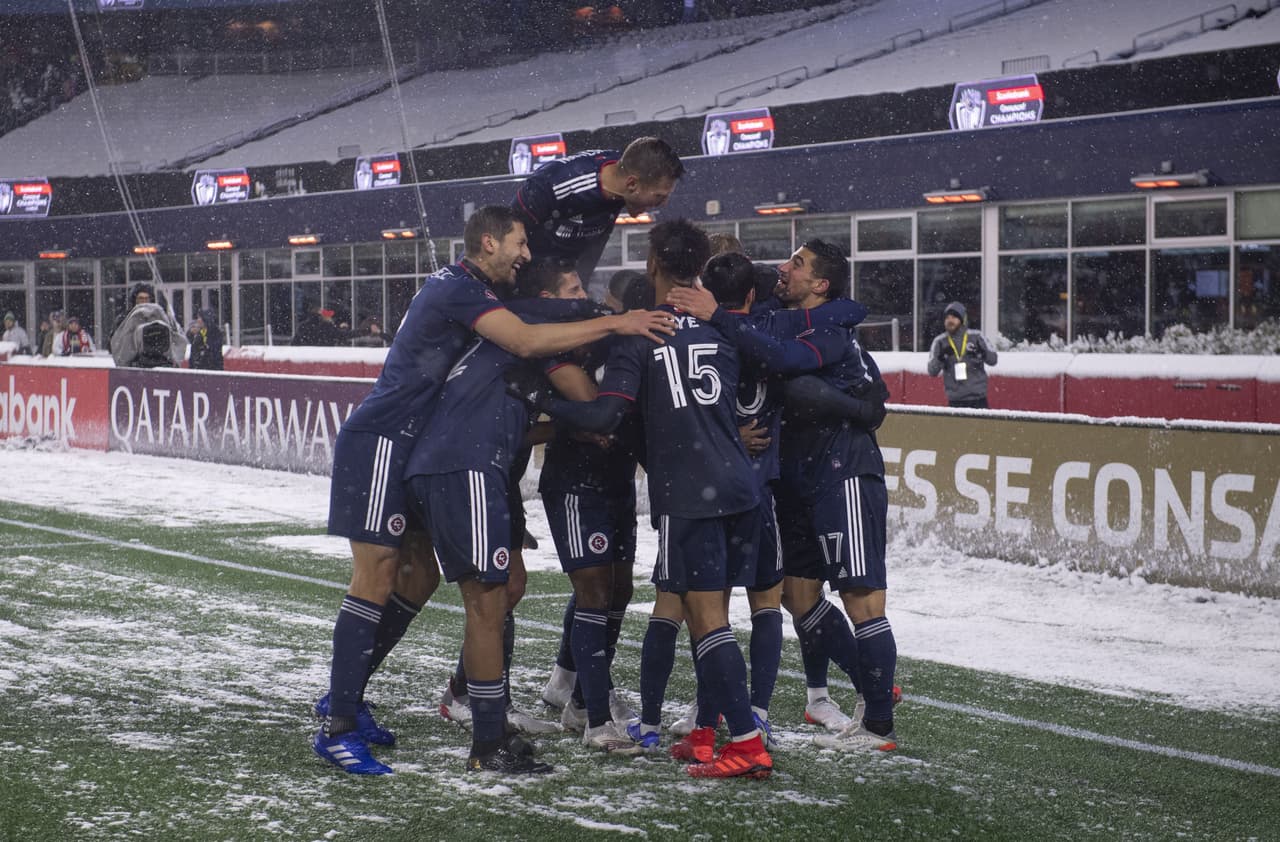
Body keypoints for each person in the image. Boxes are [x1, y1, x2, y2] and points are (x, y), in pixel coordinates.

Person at [314, 205, 674, 777]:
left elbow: (533, 335)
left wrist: (603, 318)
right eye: (519, 242)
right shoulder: (460, 288)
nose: (526, 253)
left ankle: (350, 700)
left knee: (424, 577)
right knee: (386, 576)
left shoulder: (473, 294)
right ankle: (339, 721)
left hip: (418, 447)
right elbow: (532, 339)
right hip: (384, 437)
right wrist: (619, 323)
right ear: (487, 242)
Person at [535, 219, 773, 779]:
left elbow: (606, 415)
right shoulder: (726, 326)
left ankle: (745, 743)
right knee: (709, 616)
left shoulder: (641, 334)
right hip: (742, 487)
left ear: (650, 265)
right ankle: (707, 733)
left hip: (691, 495)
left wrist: (542, 398)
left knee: (707, 618)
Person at [512, 136, 684, 283]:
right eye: (659, 196)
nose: (664, 204)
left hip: (565, 284)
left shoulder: (625, 177)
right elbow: (506, 239)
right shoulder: (552, 185)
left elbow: (588, 260)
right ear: (632, 184)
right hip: (523, 283)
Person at [927, 301, 997, 408]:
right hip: (955, 401)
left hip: (978, 400)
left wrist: (981, 354)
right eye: (947, 318)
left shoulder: (977, 336)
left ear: (962, 319)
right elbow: (932, 371)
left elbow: (993, 360)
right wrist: (941, 358)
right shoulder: (940, 341)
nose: (950, 320)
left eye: (954, 317)